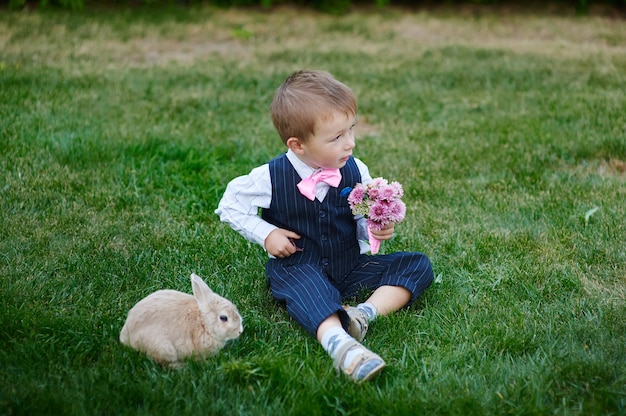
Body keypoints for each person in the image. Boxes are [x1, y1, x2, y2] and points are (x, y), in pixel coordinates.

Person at [215, 69, 434, 382]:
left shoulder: (356, 169)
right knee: (307, 286)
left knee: (417, 265)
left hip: (348, 265)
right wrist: (267, 234)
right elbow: (230, 204)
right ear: (298, 144)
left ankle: (362, 314)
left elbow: (361, 217)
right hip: (299, 264)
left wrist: (374, 229)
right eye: (337, 137)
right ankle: (341, 345)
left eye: (351, 130)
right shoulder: (270, 176)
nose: (350, 144)